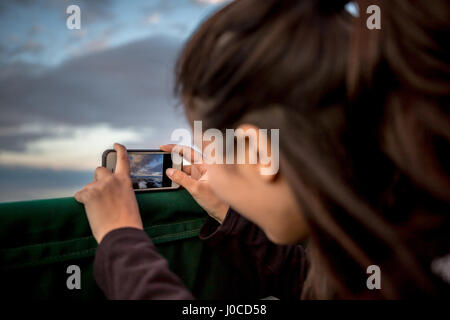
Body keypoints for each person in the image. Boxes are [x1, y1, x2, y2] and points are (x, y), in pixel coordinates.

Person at [74, 0, 450, 299]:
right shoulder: (404, 247)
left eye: (207, 142)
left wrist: (121, 240)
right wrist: (228, 211)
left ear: (258, 151)